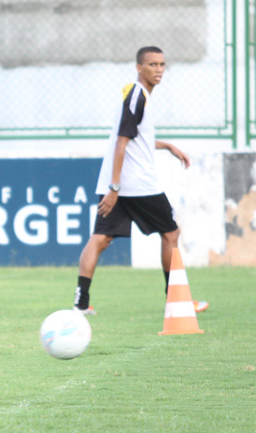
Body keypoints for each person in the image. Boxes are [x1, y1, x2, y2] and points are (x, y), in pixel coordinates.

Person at [73, 46, 208, 316]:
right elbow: (121, 143)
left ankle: (80, 304)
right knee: (171, 233)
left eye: (161, 64)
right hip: (135, 184)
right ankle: (176, 300)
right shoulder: (137, 95)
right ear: (139, 68)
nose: (158, 69)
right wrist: (115, 188)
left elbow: (134, 140)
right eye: (152, 65)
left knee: (100, 238)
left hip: (119, 183)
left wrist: (166, 145)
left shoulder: (136, 96)